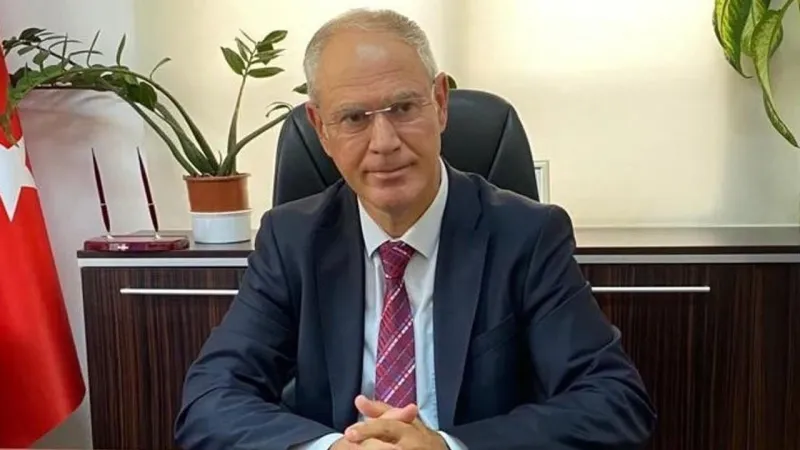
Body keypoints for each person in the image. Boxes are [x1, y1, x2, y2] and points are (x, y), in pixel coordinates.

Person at [174, 7, 656, 450]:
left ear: (440, 103)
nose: (384, 142)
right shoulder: (292, 240)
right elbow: (210, 400)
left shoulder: (526, 235)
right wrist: (331, 448)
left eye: (403, 108)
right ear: (321, 129)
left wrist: (447, 447)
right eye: (354, 118)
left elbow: (613, 401)